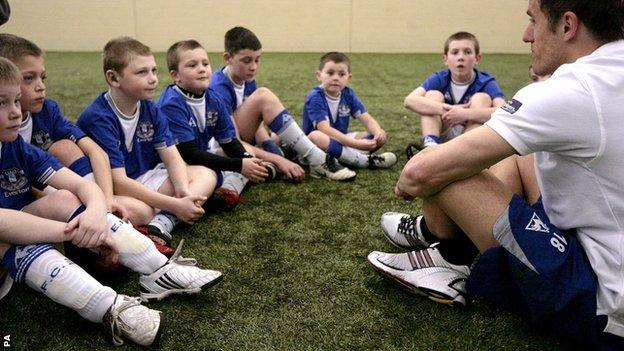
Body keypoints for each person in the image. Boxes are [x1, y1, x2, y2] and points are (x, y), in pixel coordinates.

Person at [368, 0, 624, 348]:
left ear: (567, 26)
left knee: (443, 166)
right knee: (518, 154)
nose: (526, 35)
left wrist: (422, 171)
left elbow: (417, 174)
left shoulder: (575, 90)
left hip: (602, 303)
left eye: (533, 21)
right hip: (606, 236)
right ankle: (448, 248)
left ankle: (447, 250)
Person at [0, 57, 222, 346]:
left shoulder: (13, 145)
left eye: (16, 101)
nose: (16, 112)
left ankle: (158, 269)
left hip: (23, 237)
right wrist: (74, 230)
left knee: (66, 199)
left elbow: (80, 184)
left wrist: (95, 210)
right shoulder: (97, 114)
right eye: (2, 103)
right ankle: (109, 307)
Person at [77, 37, 218, 246]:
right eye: (142, 72)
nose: (153, 79)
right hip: (110, 189)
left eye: (153, 71)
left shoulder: (150, 108)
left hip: (144, 179)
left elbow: (172, 157)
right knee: (142, 211)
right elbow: (118, 182)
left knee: (207, 174)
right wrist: (175, 204)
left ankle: (163, 221)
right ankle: (167, 214)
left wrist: (183, 193)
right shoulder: (99, 117)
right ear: (113, 78)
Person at [159, 40, 302, 204]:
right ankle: (166, 219)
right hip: (170, 166)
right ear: (175, 75)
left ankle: (226, 192)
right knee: (211, 175)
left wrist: (248, 160)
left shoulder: (213, 98)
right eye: (192, 65)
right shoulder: (171, 104)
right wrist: (240, 165)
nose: (202, 69)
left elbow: (229, 142)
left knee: (243, 156)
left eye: (205, 63)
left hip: (200, 157)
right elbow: (189, 154)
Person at [210, 26, 356, 181]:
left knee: (278, 135)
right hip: (223, 147)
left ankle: (303, 157)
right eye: (246, 60)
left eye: (257, 60)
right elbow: (233, 143)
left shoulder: (247, 79)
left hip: (244, 142)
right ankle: (318, 159)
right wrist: (280, 159)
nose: (253, 67)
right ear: (227, 58)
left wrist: (267, 143)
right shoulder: (219, 87)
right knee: (264, 96)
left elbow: (255, 119)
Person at [403, 31, 506, 149]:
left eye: (467, 52)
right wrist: (450, 111)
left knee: (482, 98)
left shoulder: (486, 81)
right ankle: (430, 146)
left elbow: (503, 111)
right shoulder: (439, 78)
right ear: (445, 59)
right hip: (444, 130)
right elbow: (409, 100)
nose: (461, 57)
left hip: (471, 132)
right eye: (455, 52)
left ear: (477, 58)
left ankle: (466, 151)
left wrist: (465, 114)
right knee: (432, 95)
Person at [302, 52, 397, 171]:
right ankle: (365, 161)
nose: (336, 78)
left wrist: (377, 132)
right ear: (319, 75)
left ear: (348, 78)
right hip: (316, 144)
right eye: (330, 73)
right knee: (317, 136)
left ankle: (343, 156)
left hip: (340, 139)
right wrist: (355, 144)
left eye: (341, 74)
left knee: (379, 135)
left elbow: (367, 120)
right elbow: (325, 130)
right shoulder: (315, 97)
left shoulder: (347, 93)